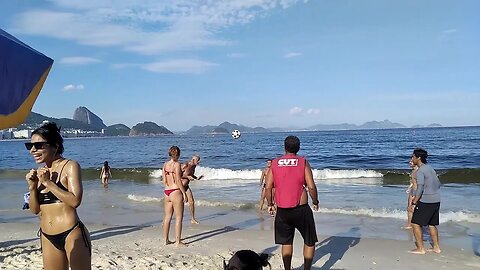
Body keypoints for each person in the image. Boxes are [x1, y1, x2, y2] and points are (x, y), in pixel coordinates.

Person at [24, 122, 91, 270]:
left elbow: (75, 200)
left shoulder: (70, 166)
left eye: (39, 145)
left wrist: (48, 183)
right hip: (47, 236)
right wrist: (33, 187)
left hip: (72, 233)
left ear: (54, 146)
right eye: (30, 146)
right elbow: (35, 210)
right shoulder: (41, 172)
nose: (33, 150)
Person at [265, 135, 319, 270]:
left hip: (283, 210)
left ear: (284, 147)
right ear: (298, 148)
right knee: (309, 241)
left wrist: (270, 204)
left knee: (286, 242)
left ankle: (287, 269)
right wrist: (315, 201)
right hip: (301, 209)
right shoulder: (303, 162)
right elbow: (311, 186)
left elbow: (268, 186)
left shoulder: (275, 163)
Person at [408, 148, 442, 254]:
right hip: (436, 199)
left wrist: (413, 202)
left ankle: (420, 249)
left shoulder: (420, 171)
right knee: (432, 224)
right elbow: (438, 183)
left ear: (418, 158)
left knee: (415, 223)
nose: (412, 158)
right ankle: (436, 247)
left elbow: (420, 188)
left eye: (413, 156)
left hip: (426, 201)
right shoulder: (430, 168)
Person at [163, 145, 188, 247]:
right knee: (179, 217)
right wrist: (184, 193)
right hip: (175, 191)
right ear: (178, 154)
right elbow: (178, 180)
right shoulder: (177, 164)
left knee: (167, 217)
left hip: (167, 192)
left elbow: (164, 180)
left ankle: (166, 240)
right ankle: (178, 241)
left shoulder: (165, 165)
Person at [181, 154, 203, 224]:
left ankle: (192, 219)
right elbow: (178, 174)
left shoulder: (194, 166)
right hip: (180, 187)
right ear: (193, 160)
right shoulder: (186, 165)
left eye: (199, 160)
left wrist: (196, 178)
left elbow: (191, 174)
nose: (199, 162)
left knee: (191, 201)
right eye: (198, 160)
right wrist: (187, 177)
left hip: (186, 186)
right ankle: (166, 219)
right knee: (176, 203)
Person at [402, 160, 418, 229]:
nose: (409, 163)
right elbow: (412, 181)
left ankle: (416, 224)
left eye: (411, 162)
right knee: (409, 208)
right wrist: (409, 187)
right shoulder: (413, 170)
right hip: (412, 191)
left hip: (417, 192)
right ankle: (409, 224)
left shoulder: (419, 171)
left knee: (413, 208)